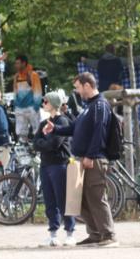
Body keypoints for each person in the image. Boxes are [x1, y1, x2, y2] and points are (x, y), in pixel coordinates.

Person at [43, 72, 117, 247]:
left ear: (87, 85)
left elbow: (100, 131)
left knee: (97, 197)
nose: (76, 91)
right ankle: (96, 233)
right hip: (83, 160)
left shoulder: (100, 105)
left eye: (78, 87)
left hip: (94, 160)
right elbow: (73, 128)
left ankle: (108, 234)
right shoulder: (89, 107)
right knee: (82, 200)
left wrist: (91, 155)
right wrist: (55, 129)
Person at [33, 91, 76, 247]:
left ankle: (70, 232)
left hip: (60, 164)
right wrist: (43, 144)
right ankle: (53, 233)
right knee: (49, 200)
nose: (43, 103)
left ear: (53, 103)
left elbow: (54, 143)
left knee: (63, 199)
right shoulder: (44, 123)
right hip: (45, 164)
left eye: (46, 101)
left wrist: (42, 144)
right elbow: (34, 143)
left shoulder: (63, 121)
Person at [12, 55, 43, 142]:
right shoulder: (16, 76)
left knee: (37, 131)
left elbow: (37, 91)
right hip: (20, 109)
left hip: (31, 107)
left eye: (18, 63)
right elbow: (15, 92)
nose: (16, 65)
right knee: (21, 134)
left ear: (24, 63)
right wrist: (16, 106)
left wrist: (35, 107)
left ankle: (38, 150)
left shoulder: (33, 75)